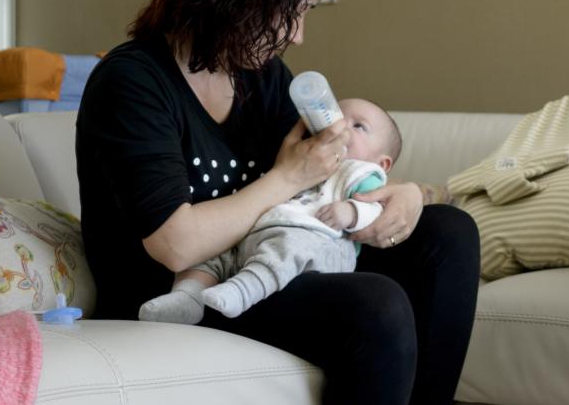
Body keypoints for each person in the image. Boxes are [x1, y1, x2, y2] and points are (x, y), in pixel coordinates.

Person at [76, 0, 480, 405]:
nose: (298, 34)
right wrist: (287, 177)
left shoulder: (259, 77)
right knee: (374, 305)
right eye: (293, 11)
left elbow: (332, 167)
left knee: (448, 234)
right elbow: (175, 243)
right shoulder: (133, 83)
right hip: (184, 291)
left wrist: (402, 194)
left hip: (266, 258)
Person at [140, 97, 405, 322]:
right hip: (264, 231)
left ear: (383, 164)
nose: (342, 129)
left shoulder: (362, 172)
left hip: (316, 245)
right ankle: (187, 297)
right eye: (337, 118)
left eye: (359, 126)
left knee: (288, 250)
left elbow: (375, 207)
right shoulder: (306, 153)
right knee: (213, 250)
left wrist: (350, 212)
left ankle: (242, 291)